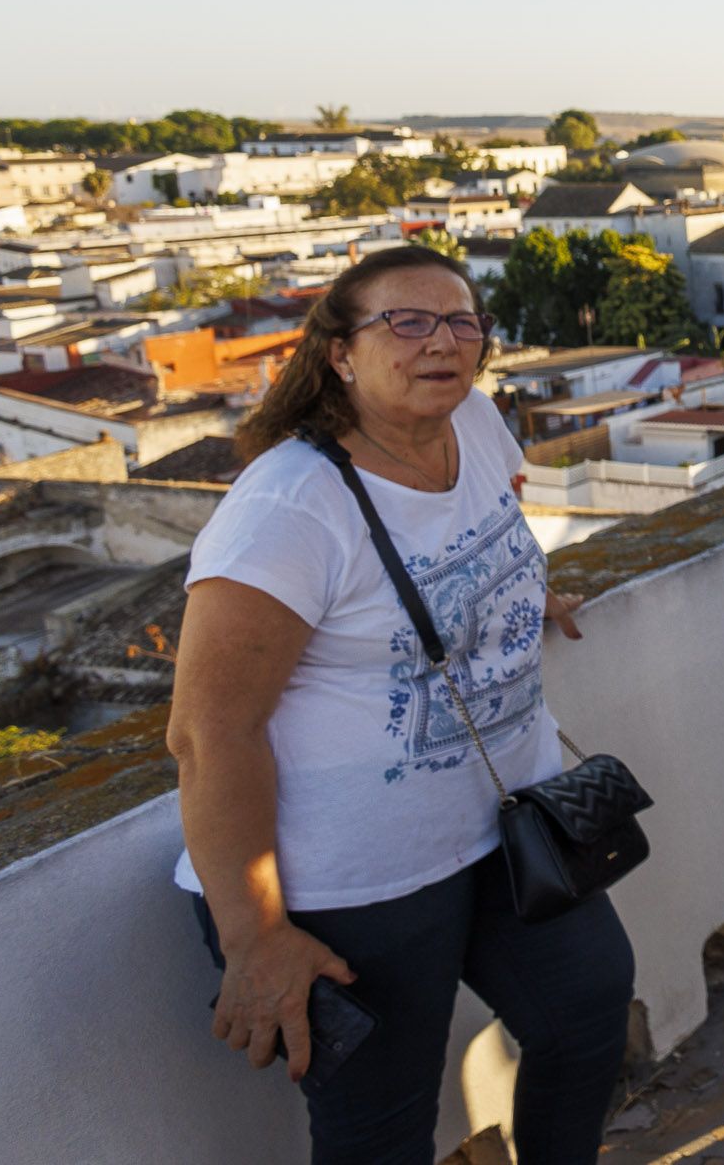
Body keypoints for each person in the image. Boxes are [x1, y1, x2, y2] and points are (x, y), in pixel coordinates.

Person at [168, 245, 634, 1165]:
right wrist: (255, 935)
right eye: (406, 321)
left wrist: (517, 597)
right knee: (380, 1133)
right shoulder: (290, 509)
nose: (441, 342)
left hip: (504, 825)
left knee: (587, 1010)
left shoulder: (478, 422)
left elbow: (483, 533)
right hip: (358, 882)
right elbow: (208, 730)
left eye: (463, 322)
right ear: (340, 352)